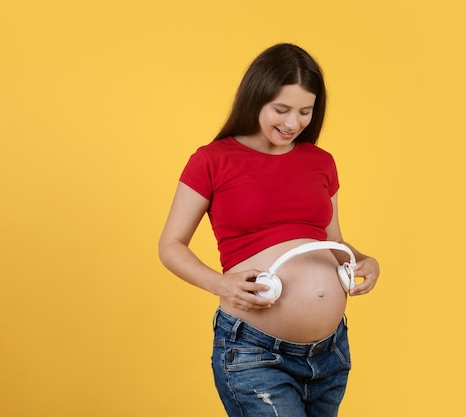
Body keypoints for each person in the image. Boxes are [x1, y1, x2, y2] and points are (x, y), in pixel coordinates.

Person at [158, 43, 380, 417]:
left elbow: (332, 240)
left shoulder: (321, 162)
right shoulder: (212, 160)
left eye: (305, 111)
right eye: (281, 109)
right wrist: (220, 283)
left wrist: (364, 260)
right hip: (255, 351)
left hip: (330, 352)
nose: (293, 123)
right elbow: (171, 245)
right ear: (255, 99)